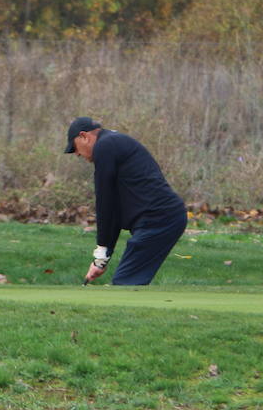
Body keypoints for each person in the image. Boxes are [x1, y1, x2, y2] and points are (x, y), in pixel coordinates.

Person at [64, 117, 187, 285]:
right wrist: (101, 258)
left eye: (74, 148)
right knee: (127, 281)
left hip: (159, 219)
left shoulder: (104, 146)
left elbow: (104, 202)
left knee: (125, 283)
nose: (77, 154)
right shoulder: (112, 143)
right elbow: (112, 208)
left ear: (84, 136)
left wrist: (102, 252)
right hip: (161, 218)